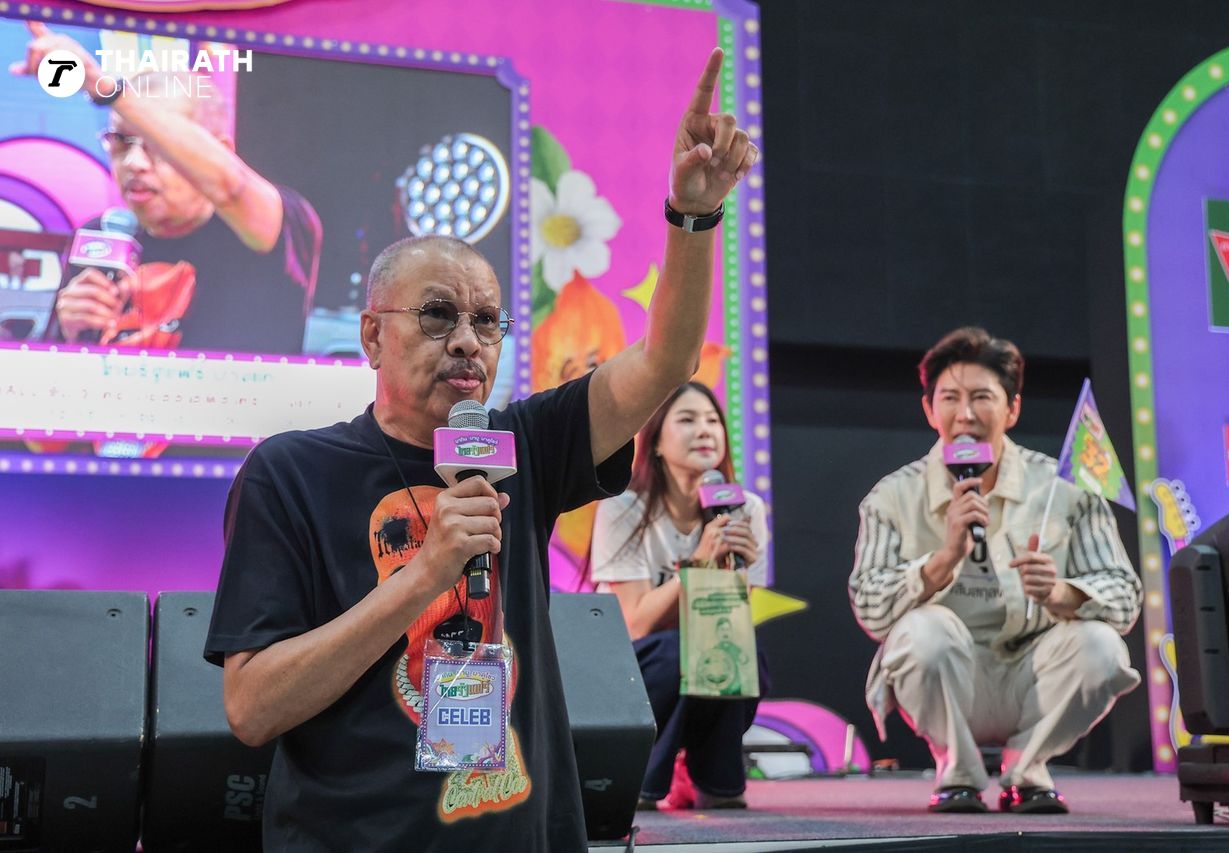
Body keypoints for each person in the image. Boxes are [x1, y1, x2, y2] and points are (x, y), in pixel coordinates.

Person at [201, 48, 758, 851]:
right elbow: (252, 708)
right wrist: (425, 574)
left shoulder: (524, 442)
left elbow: (666, 360)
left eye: (487, 321)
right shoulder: (290, 473)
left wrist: (693, 216)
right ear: (371, 335)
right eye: (437, 315)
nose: (467, 340)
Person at [848, 327, 1142, 815]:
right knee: (923, 633)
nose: (965, 414)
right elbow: (872, 610)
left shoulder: (1064, 488)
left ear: (1012, 409)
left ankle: (1027, 770)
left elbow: (1125, 597)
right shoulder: (892, 496)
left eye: (982, 397)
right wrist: (943, 558)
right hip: (948, 681)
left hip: (1034, 676)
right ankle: (957, 774)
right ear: (930, 410)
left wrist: (1060, 593)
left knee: (1102, 647)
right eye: (950, 398)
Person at [13, 22, 321, 353]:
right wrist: (68, 331)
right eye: (120, 141)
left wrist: (103, 86)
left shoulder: (273, 222)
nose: (134, 163)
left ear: (220, 150)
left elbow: (231, 187)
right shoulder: (101, 234)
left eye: (158, 145)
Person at [590, 381, 770, 810]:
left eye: (712, 421)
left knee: (739, 651)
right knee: (674, 653)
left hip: (700, 650)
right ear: (655, 442)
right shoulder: (623, 508)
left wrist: (731, 573)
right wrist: (699, 564)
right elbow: (635, 624)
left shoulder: (744, 509)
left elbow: (730, 620)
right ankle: (641, 781)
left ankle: (715, 782)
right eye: (687, 420)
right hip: (627, 667)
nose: (704, 431)